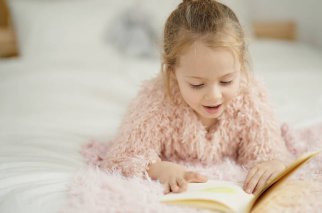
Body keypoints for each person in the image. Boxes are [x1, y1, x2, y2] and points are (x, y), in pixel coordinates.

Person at [101, 0, 292, 195]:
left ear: (241, 66)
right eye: (197, 85)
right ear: (173, 72)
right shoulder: (155, 99)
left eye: (226, 81)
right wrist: (160, 169)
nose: (214, 96)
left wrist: (273, 164)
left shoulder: (251, 95)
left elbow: (270, 149)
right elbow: (123, 156)